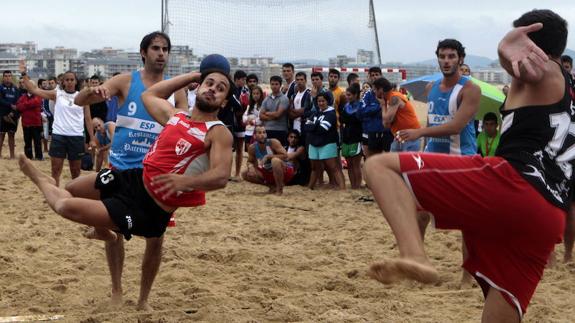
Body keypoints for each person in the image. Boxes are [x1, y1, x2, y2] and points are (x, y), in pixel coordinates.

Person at [364, 9, 571, 321]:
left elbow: (530, 70)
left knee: (381, 168)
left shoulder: (544, 71)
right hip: (548, 216)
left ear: (531, 42)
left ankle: (414, 254)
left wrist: (506, 48)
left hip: (513, 183)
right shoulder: (567, 87)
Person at [20, 67, 234, 310]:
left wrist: (185, 182)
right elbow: (149, 95)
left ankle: (41, 181)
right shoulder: (178, 116)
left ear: (225, 101)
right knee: (72, 187)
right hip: (132, 177)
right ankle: (103, 231)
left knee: (65, 205)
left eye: (220, 88)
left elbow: (221, 176)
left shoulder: (218, 132)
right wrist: (194, 76)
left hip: (149, 206)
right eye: (209, 83)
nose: (213, 89)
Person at [73, 31, 188, 310]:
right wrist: (92, 92)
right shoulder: (126, 80)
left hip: (156, 174)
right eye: (155, 48)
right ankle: (116, 290)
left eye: (165, 49)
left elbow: (186, 122)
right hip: (121, 168)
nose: (161, 53)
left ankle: (143, 300)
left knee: (155, 238)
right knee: (110, 227)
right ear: (143, 52)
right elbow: (80, 101)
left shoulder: (175, 89)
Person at [397, 38, 481, 287]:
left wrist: (419, 133)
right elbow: (433, 124)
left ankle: (467, 277)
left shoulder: (470, 89)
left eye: (451, 56)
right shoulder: (433, 86)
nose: (446, 61)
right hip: (432, 158)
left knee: (467, 222)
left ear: (461, 59)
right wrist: (421, 151)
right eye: (442, 56)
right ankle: (417, 269)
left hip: (460, 160)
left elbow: (456, 125)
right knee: (418, 215)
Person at [22, 71, 96, 185]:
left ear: (76, 81)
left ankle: (74, 195)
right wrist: (23, 73)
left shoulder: (82, 97)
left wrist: (91, 138)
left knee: (75, 171)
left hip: (76, 136)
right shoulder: (57, 94)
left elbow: (88, 118)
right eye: (67, 80)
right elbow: (34, 90)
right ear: (63, 82)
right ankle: (56, 193)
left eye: (72, 79)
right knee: (56, 170)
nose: (70, 82)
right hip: (59, 136)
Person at [305, 92, 345, 190]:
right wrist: (315, 126)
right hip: (314, 143)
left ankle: (342, 187)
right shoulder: (315, 112)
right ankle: (310, 187)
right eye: (319, 101)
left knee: (333, 167)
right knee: (314, 168)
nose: (321, 103)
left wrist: (313, 126)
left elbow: (323, 129)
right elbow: (306, 126)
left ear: (328, 101)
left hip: (327, 143)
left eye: (323, 101)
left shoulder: (331, 114)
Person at [242, 125, 294, 195]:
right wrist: (250, 167)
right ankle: (272, 187)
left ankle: (279, 189)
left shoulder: (273, 142)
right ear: (254, 136)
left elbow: (285, 156)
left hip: (284, 170)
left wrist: (268, 156)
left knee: (275, 161)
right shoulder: (252, 147)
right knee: (245, 173)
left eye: (264, 132)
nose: (262, 135)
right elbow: (249, 161)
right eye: (259, 133)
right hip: (268, 171)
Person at [373, 77, 421, 152]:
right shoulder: (389, 99)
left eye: (375, 89)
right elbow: (386, 124)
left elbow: (387, 120)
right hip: (400, 136)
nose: (374, 92)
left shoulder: (394, 97)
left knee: (406, 162)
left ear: (381, 89)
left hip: (410, 136)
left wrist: (382, 105)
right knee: (395, 162)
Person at [357, 67, 393, 157]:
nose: (374, 77)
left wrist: (373, 109)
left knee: (387, 163)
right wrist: (378, 107)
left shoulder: (389, 93)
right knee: (372, 162)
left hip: (387, 132)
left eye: (377, 74)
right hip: (371, 132)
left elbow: (391, 112)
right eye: (372, 75)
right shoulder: (367, 94)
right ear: (369, 77)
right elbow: (360, 112)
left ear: (381, 75)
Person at [340, 83, 363, 189]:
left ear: (355, 95)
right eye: (346, 95)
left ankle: (358, 185)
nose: (347, 97)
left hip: (356, 137)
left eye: (349, 95)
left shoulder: (361, 106)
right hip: (346, 137)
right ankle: (353, 185)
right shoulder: (346, 107)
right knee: (349, 163)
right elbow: (342, 121)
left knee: (356, 164)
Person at [16, 81, 43, 160]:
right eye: (28, 86)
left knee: (37, 142)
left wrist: (24, 104)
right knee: (27, 142)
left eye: (32, 86)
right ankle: (28, 157)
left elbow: (37, 102)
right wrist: (28, 104)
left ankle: (39, 157)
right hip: (26, 123)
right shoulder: (23, 96)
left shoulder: (38, 95)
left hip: (36, 123)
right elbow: (18, 107)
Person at [230, 70, 250, 179]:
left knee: (239, 149)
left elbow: (245, 106)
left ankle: (237, 173)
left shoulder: (245, 91)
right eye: (242, 79)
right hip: (230, 121)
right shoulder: (231, 89)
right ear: (236, 79)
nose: (244, 82)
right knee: (228, 149)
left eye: (245, 80)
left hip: (241, 123)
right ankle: (228, 173)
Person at [260, 76, 289, 146]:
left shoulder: (284, 98)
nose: (274, 86)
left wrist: (266, 113)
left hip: (280, 130)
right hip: (267, 130)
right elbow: (261, 116)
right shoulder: (267, 98)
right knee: (267, 153)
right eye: (272, 84)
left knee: (279, 154)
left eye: (276, 84)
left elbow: (278, 115)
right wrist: (274, 116)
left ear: (280, 85)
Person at [0, 70, 20, 159]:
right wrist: (10, 105)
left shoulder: (15, 89)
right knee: (1, 135)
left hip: (13, 115)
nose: (8, 77)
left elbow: (18, 101)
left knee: (11, 135)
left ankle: (12, 155)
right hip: (2, 115)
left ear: (11, 77)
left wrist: (13, 112)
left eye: (9, 76)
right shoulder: (0, 88)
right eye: (6, 76)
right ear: (3, 77)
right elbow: (0, 100)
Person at [242, 85, 263, 150]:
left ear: (261, 94)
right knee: (250, 155)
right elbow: (244, 117)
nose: (255, 95)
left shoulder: (262, 106)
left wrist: (252, 121)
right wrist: (247, 119)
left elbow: (260, 119)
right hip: (248, 132)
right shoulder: (250, 106)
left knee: (258, 154)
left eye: (257, 93)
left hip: (257, 133)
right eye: (254, 94)